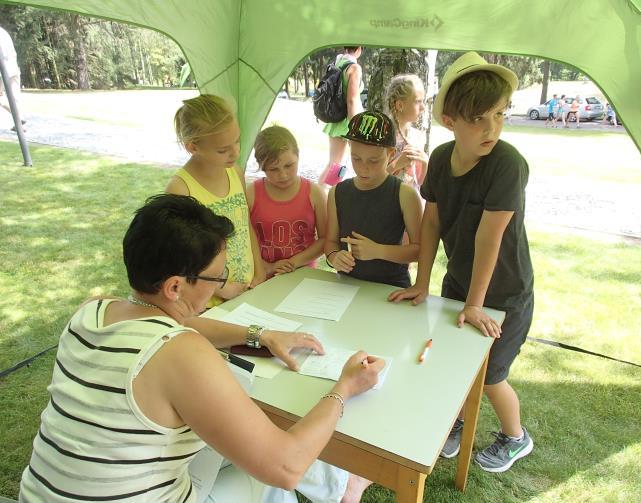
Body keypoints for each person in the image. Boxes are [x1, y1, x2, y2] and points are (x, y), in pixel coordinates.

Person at [19, 193, 384, 502]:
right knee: (267, 478)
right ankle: (345, 488)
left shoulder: (94, 310)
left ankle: (341, 485)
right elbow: (286, 467)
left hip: (42, 493)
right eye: (218, 278)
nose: (221, 284)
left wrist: (260, 335)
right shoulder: (179, 351)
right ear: (176, 287)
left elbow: (178, 322)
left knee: (239, 440)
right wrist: (344, 388)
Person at [388, 52, 535, 473]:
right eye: (479, 119)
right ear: (451, 120)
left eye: (500, 115)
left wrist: (476, 305)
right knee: (453, 364)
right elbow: (432, 219)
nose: (493, 128)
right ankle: (454, 423)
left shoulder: (507, 164)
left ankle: (514, 436)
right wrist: (422, 282)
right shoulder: (438, 159)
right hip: (460, 286)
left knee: (490, 375)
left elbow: (490, 238)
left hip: (505, 294)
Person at [166, 94, 266, 306]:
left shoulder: (235, 173)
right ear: (193, 147)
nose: (235, 152)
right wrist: (223, 288)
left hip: (247, 291)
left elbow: (245, 225)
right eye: (223, 149)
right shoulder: (180, 189)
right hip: (207, 303)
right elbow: (182, 257)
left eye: (237, 140)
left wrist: (259, 272)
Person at [325, 111, 422, 288]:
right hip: (347, 285)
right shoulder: (337, 193)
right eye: (356, 158)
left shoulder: (405, 195)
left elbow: (419, 250)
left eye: (374, 161)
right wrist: (334, 257)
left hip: (391, 287)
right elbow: (331, 242)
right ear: (350, 148)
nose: (364, 168)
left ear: (391, 154)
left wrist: (378, 251)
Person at [248, 125, 327, 276]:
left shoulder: (315, 193)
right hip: (262, 274)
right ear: (261, 167)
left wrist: (293, 263)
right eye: (273, 169)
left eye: (289, 165)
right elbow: (243, 239)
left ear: (298, 156)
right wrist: (267, 267)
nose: (283, 175)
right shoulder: (251, 193)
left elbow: (325, 239)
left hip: (302, 273)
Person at [317, 46, 364, 187]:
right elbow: (352, 100)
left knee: (335, 165)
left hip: (336, 119)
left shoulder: (338, 62)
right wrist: (354, 126)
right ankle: (322, 197)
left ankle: (322, 195)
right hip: (347, 121)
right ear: (359, 49)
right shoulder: (354, 68)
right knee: (337, 166)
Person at [384, 73, 429, 189]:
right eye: (418, 101)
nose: (423, 107)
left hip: (410, 201)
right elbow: (373, 179)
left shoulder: (417, 137)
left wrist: (425, 162)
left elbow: (419, 181)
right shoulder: (383, 135)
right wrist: (396, 164)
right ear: (400, 105)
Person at [0, 25, 25, 132]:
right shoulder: (4, 32)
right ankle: (20, 124)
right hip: (14, 67)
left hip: (4, 70)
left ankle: (19, 118)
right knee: (15, 98)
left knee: (1, 98)